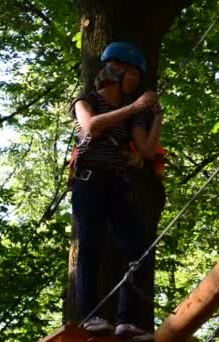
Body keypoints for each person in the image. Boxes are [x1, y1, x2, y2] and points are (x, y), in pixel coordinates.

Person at [70, 41, 163, 341]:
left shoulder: (132, 115)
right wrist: (135, 107)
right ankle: (89, 316)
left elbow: (148, 151)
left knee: (138, 245)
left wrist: (156, 119)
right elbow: (92, 127)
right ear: (116, 69)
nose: (135, 81)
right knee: (92, 245)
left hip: (116, 184)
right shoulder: (86, 101)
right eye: (133, 74)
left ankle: (126, 320)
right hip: (89, 182)